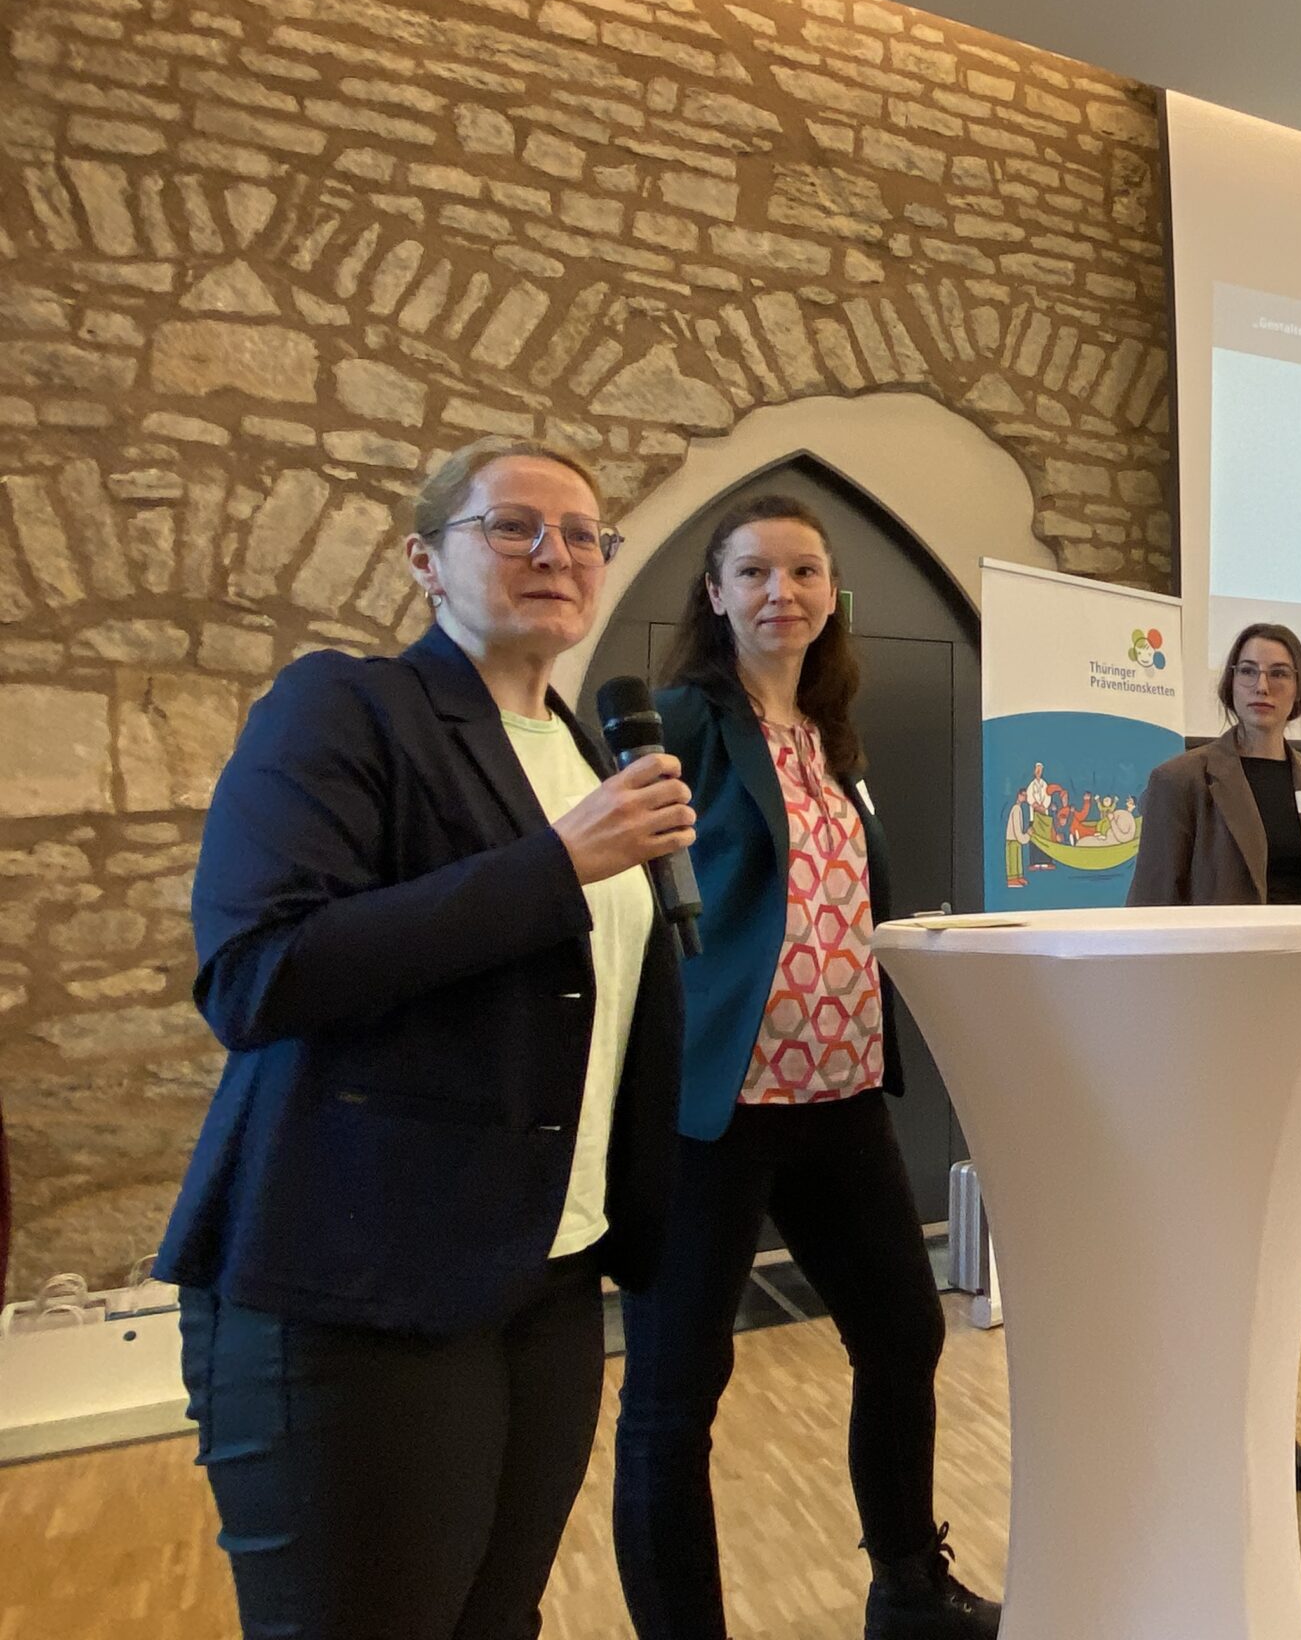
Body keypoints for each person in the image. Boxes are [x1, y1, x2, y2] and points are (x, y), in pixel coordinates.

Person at [161, 437, 693, 1638]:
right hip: (363, 1279)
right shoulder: (347, 709)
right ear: (423, 561)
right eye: (513, 527)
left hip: (549, 1276)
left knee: (495, 1620)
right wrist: (555, 865)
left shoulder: (588, 751)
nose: (556, 552)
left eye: (583, 534)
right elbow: (258, 975)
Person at [612, 494, 1000, 1640]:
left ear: (833, 595)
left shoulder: (830, 734)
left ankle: (909, 1592)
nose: (780, 591)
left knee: (903, 1336)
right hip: (717, 1106)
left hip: (838, 1090)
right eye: (754, 572)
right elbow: (626, 890)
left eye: (803, 572)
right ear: (715, 593)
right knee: (675, 1396)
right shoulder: (685, 719)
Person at [1128, 620, 1301, 1492]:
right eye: (1249, 671)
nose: (1263, 685)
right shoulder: (1183, 780)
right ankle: (1192, 1419)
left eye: (1279, 673)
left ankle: (1263, 1425)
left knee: (1271, 1233)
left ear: (1299, 689)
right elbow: (1152, 911)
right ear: (1229, 685)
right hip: (1210, 1025)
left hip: (1290, 1024)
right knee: (1207, 1230)